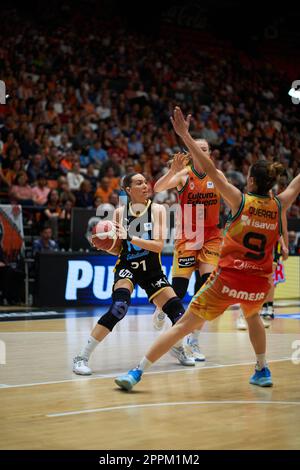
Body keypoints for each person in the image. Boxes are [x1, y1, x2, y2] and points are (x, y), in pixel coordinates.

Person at [115, 106, 300, 391]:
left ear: (250, 181)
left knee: (185, 322)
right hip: (256, 282)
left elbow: (211, 169)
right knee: (252, 318)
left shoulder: (239, 199)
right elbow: (295, 187)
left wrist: (184, 135)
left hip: (225, 275)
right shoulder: (278, 204)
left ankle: (138, 371)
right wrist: (177, 165)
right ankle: (262, 368)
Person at [73, 172, 195, 376]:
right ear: (128, 190)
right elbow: (119, 247)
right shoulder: (120, 213)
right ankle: (81, 357)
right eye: (139, 183)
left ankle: (177, 347)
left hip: (152, 270)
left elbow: (157, 246)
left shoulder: (158, 210)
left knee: (179, 315)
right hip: (127, 266)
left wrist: (130, 235)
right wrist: (105, 246)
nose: (146, 185)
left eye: (145, 182)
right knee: (119, 307)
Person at [152, 147, 222, 362]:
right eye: (198, 148)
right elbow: (158, 187)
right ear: (191, 152)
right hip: (188, 236)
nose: (202, 151)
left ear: (210, 153)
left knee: (204, 292)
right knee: (179, 291)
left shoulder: (217, 175)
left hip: (211, 237)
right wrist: (172, 171)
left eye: (206, 149)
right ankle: (162, 309)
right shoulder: (184, 174)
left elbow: (232, 198)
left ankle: (193, 341)